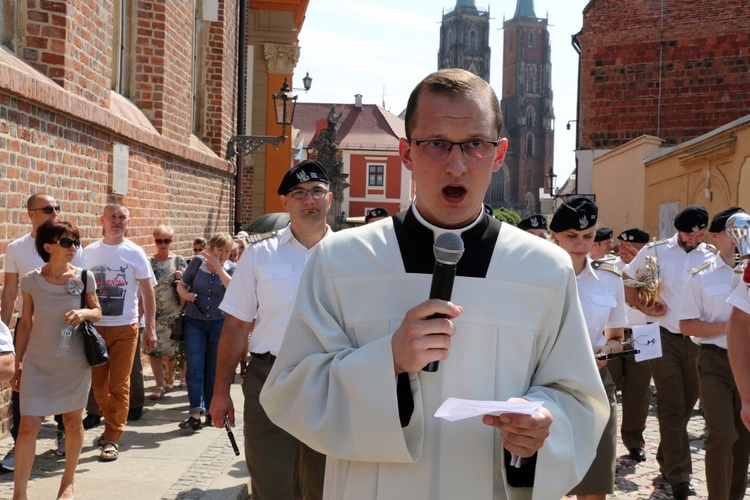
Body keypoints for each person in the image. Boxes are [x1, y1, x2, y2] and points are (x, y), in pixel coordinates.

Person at [257, 69, 608, 499]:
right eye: (436, 144)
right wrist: (388, 361)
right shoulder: (340, 261)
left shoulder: (545, 270)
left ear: (500, 155)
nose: (455, 164)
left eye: (475, 145)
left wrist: (541, 426)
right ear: (406, 152)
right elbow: (291, 390)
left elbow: (577, 397)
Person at [209, 159, 332, 500]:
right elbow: (236, 325)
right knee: (271, 483)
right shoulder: (259, 256)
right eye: (299, 193)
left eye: (317, 192)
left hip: (328, 379)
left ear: (330, 199)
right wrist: (221, 392)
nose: (309, 199)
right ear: (285, 202)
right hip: (269, 377)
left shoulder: (349, 255)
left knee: (324, 485)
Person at [623, 205, 714, 499]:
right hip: (663, 336)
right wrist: (643, 305)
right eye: (690, 234)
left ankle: (668, 456)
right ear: (678, 230)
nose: (695, 239)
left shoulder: (710, 256)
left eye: (700, 234)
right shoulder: (657, 251)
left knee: (687, 406)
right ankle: (680, 477)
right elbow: (625, 281)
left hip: (698, 341)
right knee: (671, 406)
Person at [11, 220, 101, 499]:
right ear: (48, 246)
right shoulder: (30, 280)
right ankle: (19, 493)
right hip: (38, 363)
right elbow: (25, 323)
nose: (73, 247)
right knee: (28, 426)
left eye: (76, 242)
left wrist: (83, 314)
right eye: (66, 242)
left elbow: (97, 310)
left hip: (73, 362)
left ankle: (68, 481)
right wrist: (18, 363)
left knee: (73, 422)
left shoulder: (84, 277)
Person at [549, 197, 627, 500]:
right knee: (544, 477)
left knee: (595, 483)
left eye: (588, 236)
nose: (581, 244)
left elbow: (616, 337)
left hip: (596, 383)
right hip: (549, 383)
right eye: (572, 236)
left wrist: (607, 351)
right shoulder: (538, 276)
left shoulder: (609, 279)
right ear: (556, 234)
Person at [1, 193, 84, 468]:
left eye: (57, 208)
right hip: (29, 326)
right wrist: (3, 329)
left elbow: (80, 287)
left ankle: (63, 432)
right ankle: (19, 442)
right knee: (20, 385)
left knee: (64, 381)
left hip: (64, 329)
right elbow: (10, 291)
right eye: (48, 208)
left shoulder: (71, 244)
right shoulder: (16, 248)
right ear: (31, 214)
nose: (55, 212)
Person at [679, 206, 750, 499]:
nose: (739, 238)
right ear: (717, 236)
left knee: (743, 437)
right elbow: (686, 325)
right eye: (733, 232)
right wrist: (730, 326)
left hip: (746, 362)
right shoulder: (701, 275)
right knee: (722, 434)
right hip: (715, 361)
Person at [83, 202, 157, 462]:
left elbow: (148, 292)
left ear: (128, 221)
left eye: (122, 217)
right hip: (94, 328)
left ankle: (112, 436)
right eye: (112, 216)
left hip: (126, 327)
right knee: (98, 386)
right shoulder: (88, 252)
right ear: (101, 220)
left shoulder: (136, 253)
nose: (117, 221)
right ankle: (111, 422)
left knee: (119, 384)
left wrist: (151, 329)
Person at [176, 233, 235, 430]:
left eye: (228, 251)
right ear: (211, 249)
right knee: (194, 365)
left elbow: (234, 290)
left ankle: (211, 411)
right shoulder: (197, 263)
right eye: (221, 250)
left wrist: (219, 267)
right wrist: (186, 294)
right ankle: (195, 413)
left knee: (213, 368)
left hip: (219, 323)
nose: (225, 254)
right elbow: (181, 285)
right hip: (195, 322)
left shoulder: (232, 269)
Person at [608, 227, 652, 463]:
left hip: (643, 333)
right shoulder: (609, 266)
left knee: (639, 390)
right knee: (609, 387)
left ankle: (635, 442)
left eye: (632, 247)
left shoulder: (651, 269)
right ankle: (605, 440)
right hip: (612, 333)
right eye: (623, 245)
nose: (625, 250)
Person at [147, 225, 187, 400]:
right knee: (153, 349)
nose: (163, 244)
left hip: (172, 312)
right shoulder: (148, 262)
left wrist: (181, 280)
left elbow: (187, 287)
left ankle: (169, 377)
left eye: (167, 240)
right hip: (154, 311)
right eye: (159, 240)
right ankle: (159, 385)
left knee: (170, 350)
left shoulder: (179, 261)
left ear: (172, 241)